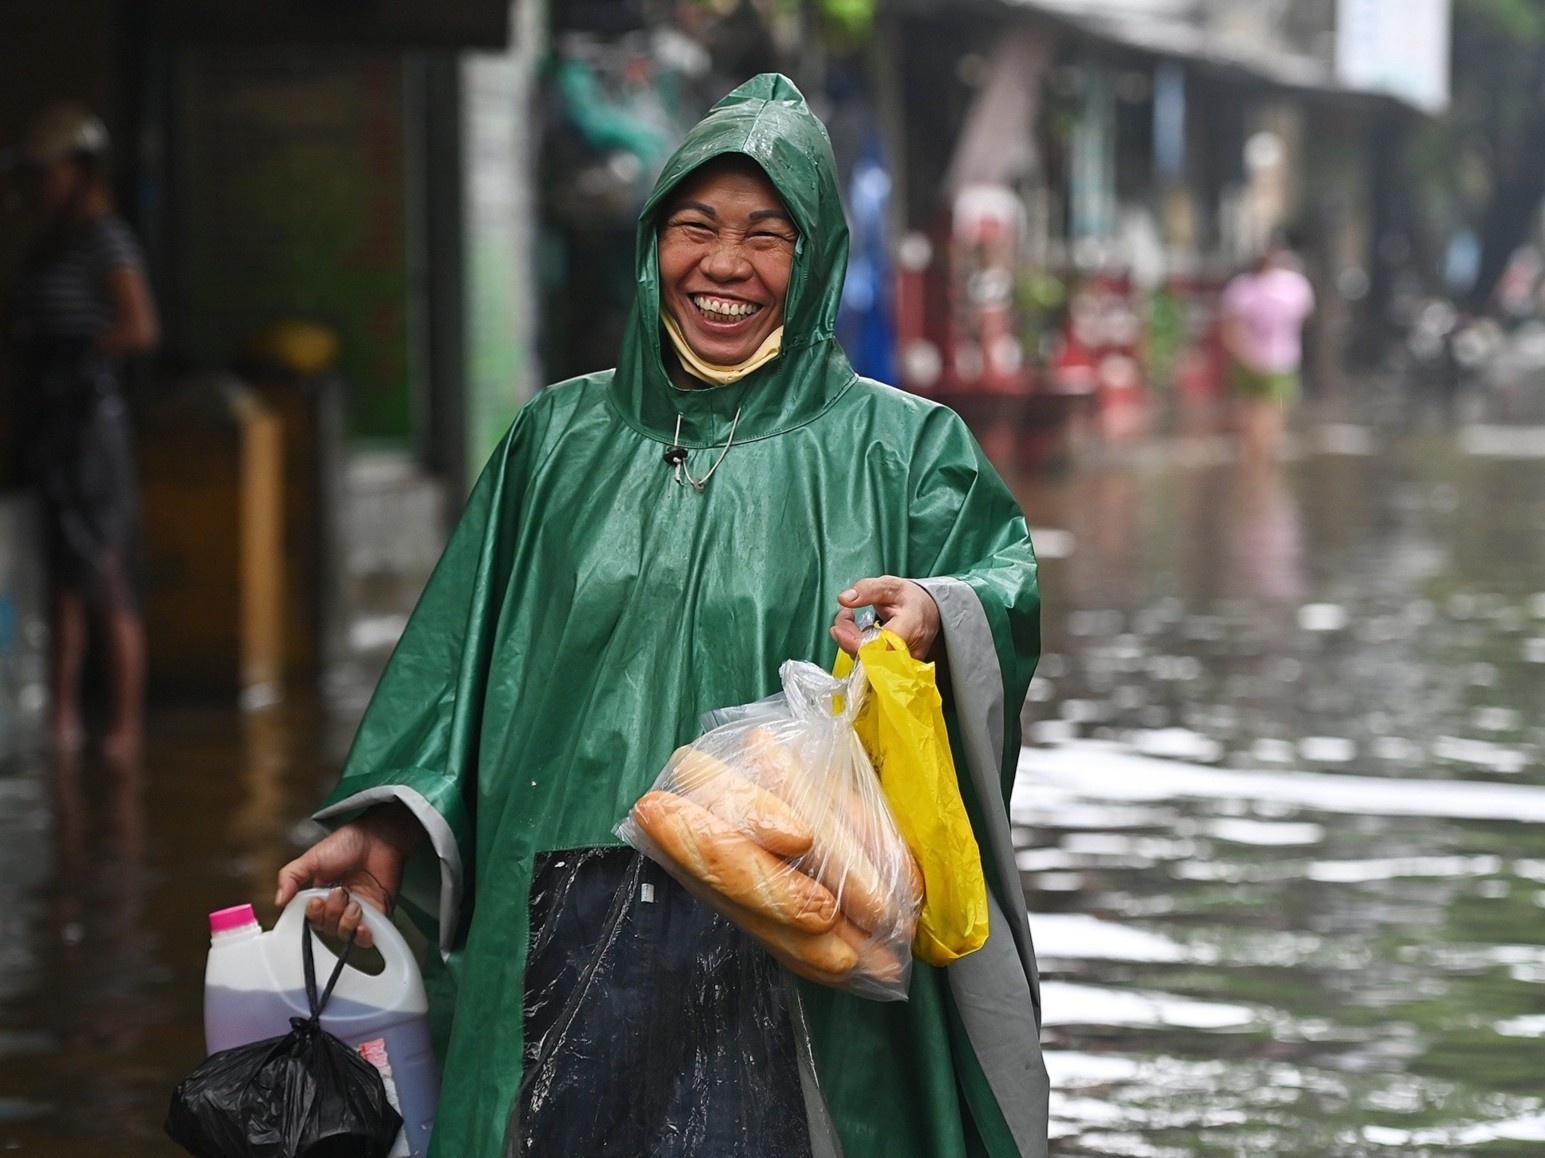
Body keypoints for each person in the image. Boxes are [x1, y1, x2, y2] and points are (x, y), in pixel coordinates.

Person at [276, 74, 1047, 1158]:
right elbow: (460, 665)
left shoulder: (907, 450)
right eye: (696, 227)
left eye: (766, 237)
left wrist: (935, 608)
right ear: (652, 246)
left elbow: (1001, 589)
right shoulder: (554, 442)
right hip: (560, 918)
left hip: (794, 928)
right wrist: (388, 823)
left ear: (816, 262)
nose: (724, 265)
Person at [6, 104, 159, 759]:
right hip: (48, 422)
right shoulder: (47, 245)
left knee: (104, 570)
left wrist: (79, 351)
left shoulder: (106, 241)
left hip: (90, 426)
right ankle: (61, 719)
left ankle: (124, 727)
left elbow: (139, 327)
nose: (37, 186)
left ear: (80, 171)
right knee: (61, 579)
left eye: (47, 173)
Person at [1219, 232, 1315, 461]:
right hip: (1256, 361)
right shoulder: (1244, 288)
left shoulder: (1291, 286)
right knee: (1253, 416)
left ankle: (1262, 462)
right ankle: (1258, 462)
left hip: (1277, 362)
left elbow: (1304, 316)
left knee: (1269, 416)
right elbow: (1230, 327)